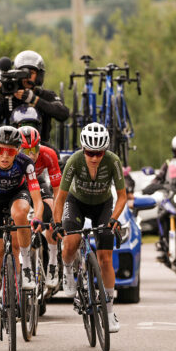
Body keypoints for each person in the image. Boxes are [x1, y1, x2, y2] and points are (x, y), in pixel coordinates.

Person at [53, 123, 127, 333]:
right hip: (76, 202)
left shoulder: (113, 161)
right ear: (83, 150)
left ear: (105, 151)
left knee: (105, 258)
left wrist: (114, 218)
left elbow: (122, 197)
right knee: (71, 242)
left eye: (99, 153)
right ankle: (68, 270)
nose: (94, 158)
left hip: (102, 206)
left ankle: (110, 311)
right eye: (90, 153)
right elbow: (61, 198)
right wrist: (57, 223)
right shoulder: (74, 161)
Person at [0, 126, 44, 339]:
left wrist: (37, 216)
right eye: (1, 150)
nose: (5, 156)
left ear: (18, 151)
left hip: (17, 195)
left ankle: (27, 267)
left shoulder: (25, 163)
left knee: (21, 213)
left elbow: (37, 200)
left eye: (10, 151)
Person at [0, 50, 69, 146]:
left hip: (41, 147)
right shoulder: (9, 96)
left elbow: (64, 114)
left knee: (56, 157)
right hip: (12, 149)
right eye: (23, 73)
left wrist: (34, 100)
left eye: (31, 73)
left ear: (39, 75)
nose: (27, 78)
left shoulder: (46, 95)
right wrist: (1, 99)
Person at [143, 133, 176, 264]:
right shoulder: (168, 164)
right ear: (175, 152)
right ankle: (163, 244)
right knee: (161, 213)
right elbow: (159, 177)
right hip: (172, 195)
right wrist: (153, 185)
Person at [19, 125, 63, 289]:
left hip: (38, 182)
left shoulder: (48, 154)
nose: (31, 154)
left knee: (52, 210)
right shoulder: (11, 157)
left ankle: (52, 263)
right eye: (25, 150)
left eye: (34, 148)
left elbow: (57, 188)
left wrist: (56, 216)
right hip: (19, 185)